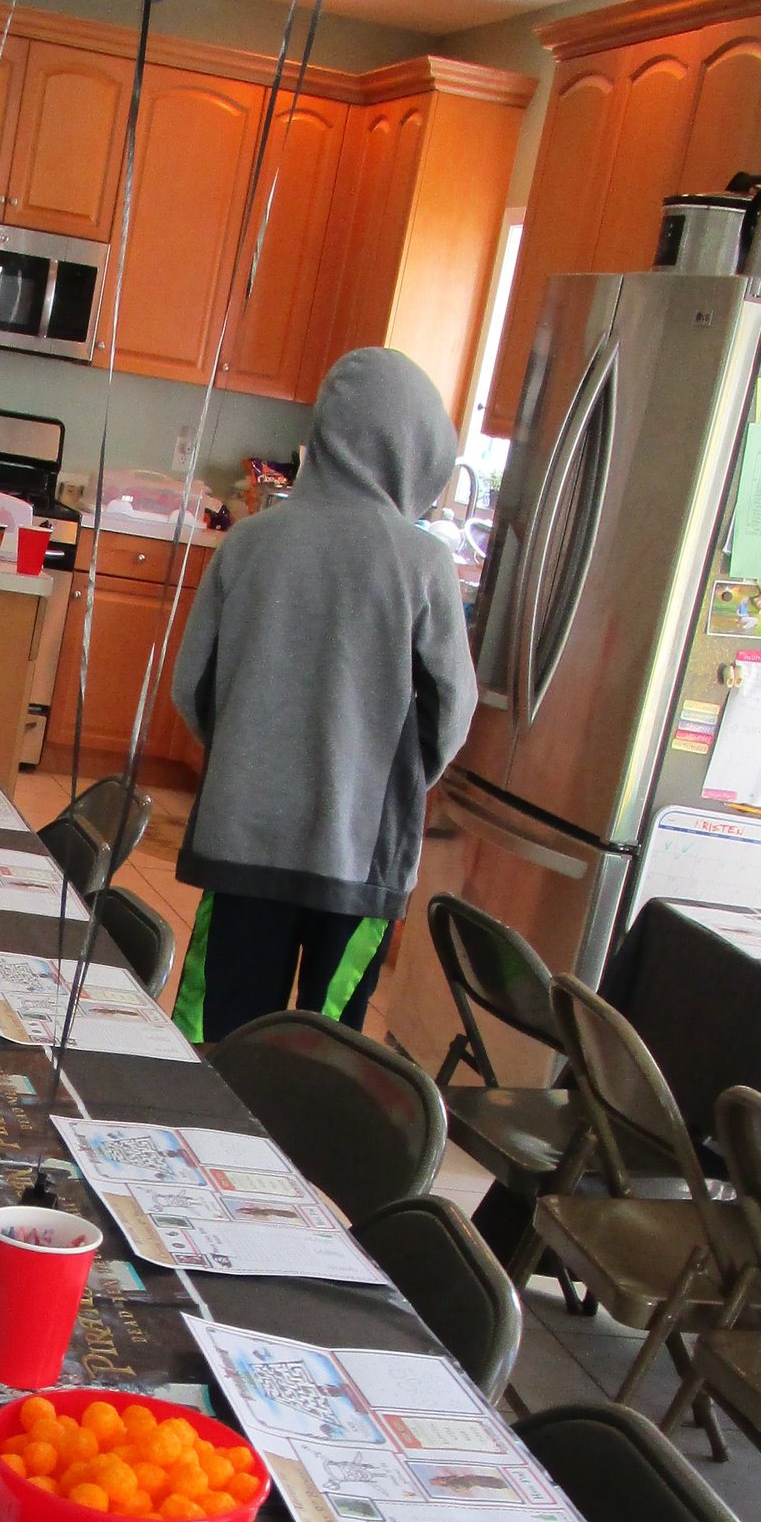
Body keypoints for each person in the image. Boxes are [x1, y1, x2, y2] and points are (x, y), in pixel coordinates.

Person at [169, 346, 477, 1045]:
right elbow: (449, 714)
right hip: (357, 853)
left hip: (242, 838)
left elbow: (193, 686)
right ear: (418, 453)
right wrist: (386, 779)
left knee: (219, 1041)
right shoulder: (424, 565)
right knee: (322, 1053)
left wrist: (248, 751)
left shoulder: (249, 543)